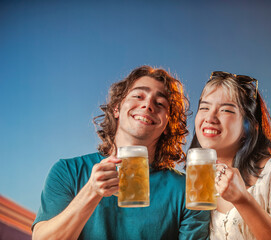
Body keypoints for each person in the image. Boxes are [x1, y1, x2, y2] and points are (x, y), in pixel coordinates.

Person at [32, 66, 210, 240]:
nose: (148, 105)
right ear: (117, 108)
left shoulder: (188, 190)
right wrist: (91, 192)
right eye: (138, 96)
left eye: (160, 103)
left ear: (167, 124)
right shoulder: (68, 171)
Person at [190, 71, 271, 240]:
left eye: (226, 110)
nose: (210, 117)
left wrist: (243, 200)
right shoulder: (199, 181)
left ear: (250, 127)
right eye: (204, 107)